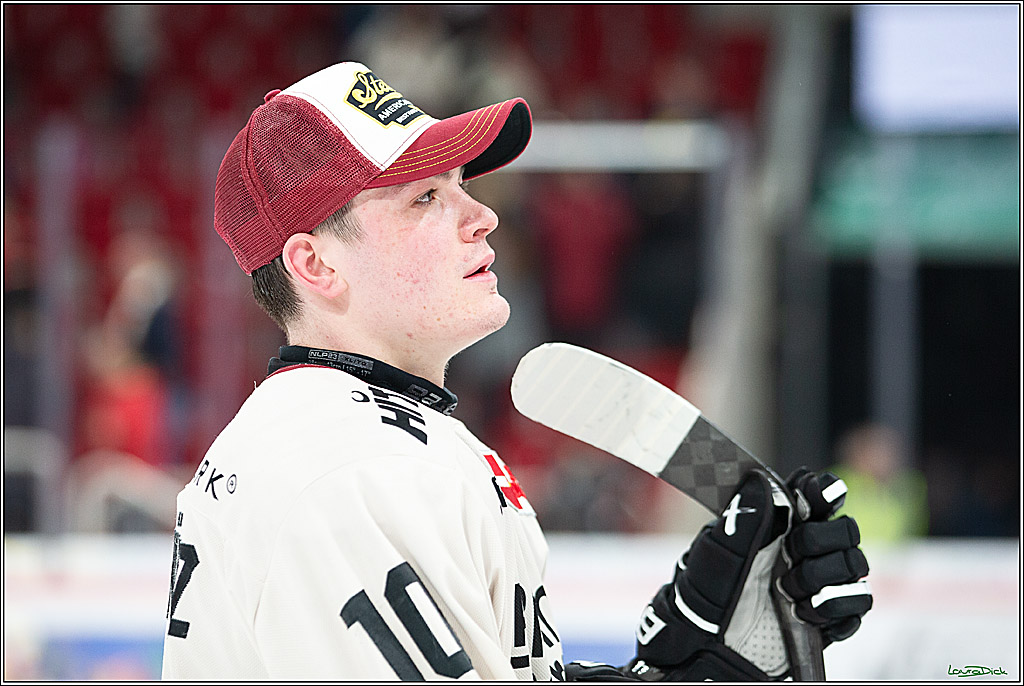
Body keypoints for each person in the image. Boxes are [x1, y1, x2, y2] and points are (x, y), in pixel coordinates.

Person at [161, 62, 872, 681]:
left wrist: (690, 667)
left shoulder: (376, 438)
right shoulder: (345, 471)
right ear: (315, 264)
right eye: (425, 198)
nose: (483, 216)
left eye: (460, 183)